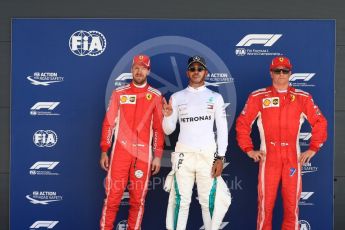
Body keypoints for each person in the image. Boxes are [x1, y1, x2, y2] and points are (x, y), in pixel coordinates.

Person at [236, 56, 327, 230]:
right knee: (265, 207)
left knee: (292, 207)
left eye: (285, 71)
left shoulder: (303, 97)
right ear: (271, 73)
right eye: (277, 70)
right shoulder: (258, 96)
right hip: (269, 159)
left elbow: (320, 122)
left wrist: (313, 148)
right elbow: (242, 123)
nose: (281, 74)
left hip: (292, 159)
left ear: (290, 73)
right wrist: (248, 149)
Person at [162, 55, 231, 230]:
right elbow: (168, 130)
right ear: (187, 72)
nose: (196, 72)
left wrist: (220, 158)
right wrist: (168, 116)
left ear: (205, 72)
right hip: (183, 155)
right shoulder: (177, 97)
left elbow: (222, 130)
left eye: (199, 69)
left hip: (207, 155)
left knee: (208, 202)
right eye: (192, 69)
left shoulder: (215, 97)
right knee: (180, 202)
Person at [99, 54, 165, 230]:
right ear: (131, 70)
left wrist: (158, 156)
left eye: (143, 67)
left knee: (138, 200)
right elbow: (108, 124)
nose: (139, 70)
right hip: (120, 153)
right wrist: (105, 149)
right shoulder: (119, 93)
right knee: (112, 197)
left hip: (143, 157)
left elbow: (159, 129)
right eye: (136, 67)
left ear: (148, 71)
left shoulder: (156, 96)